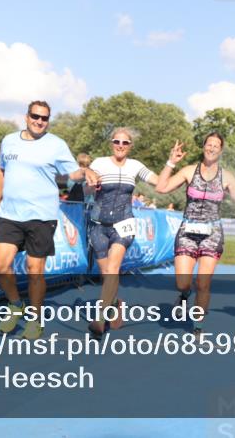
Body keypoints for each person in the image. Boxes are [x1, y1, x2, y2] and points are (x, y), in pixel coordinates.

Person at [0, 101, 91, 340]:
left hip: (41, 216)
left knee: (35, 271)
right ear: (26, 117)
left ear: (48, 121)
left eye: (44, 118)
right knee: (0, 265)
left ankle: (35, 320)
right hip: (9, 214)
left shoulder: (56, 144)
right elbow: (1, 170)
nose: (39, 121)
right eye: (35, 116)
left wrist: (86, 172)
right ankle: (15, 303)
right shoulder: (9, 141)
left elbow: (72, 172)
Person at [155, 134, 235, 336]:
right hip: (188, 231)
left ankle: (197, 327)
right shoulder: (189, 171)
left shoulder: (227, 176)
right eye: (209, 144)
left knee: (203, 283)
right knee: (182, 282)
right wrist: (171, 162)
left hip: (212, 234)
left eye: (216, 146)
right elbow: (161, 188)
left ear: (221, 150)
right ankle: (184, 294)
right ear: (203, 147)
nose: (212, 148)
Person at [85, 127, 159, 337]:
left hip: (124, 224)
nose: (120, 145)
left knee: (114, 269)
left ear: (130, 146)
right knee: (106, 274)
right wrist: (90, 184)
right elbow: (85, 189)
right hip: (99, 224)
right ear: (111, 143)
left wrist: (171, 163)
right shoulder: (99, 163)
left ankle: (99, 318)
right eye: (117, 141)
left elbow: (160, 184)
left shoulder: (135, 166)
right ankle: (116, 303)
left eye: (125, 143)